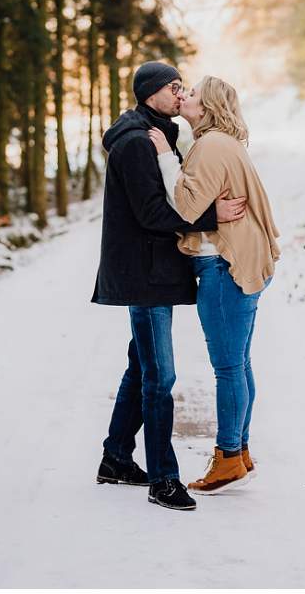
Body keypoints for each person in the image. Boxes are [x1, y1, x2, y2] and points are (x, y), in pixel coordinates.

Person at [93, 61, 247, 512]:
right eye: (173, 87)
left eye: (184, 86)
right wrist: (210, 217)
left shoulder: (157, 132)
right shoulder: (139, 141)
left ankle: (117, 457)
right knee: (161, 376)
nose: (181, 93)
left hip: (151, 269)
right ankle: (163, 479)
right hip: (144, 274)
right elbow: (152, 215)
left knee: (141, 369)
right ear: (150, 94)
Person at [148, 75, 281, 496]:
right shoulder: (222, 143)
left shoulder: (208, 147)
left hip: (225, 266)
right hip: (238, 262)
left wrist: (167, 156)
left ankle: (227, 459)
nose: (184, 96)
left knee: (228, 367)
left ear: (205, 109)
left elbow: (187, 207)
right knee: (238, 363)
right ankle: (238, 451)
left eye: (193, 95)